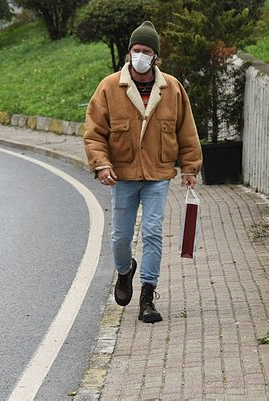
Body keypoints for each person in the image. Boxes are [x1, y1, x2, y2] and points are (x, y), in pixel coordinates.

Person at [83, 21, 202, 324]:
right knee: (120, 238)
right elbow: (94, 133)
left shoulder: (172, 88)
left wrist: (189, 168)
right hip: (121, 175)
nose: (140, 55)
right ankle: (125, 272)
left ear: (155, 56)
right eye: (136, 50)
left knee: (152, 233)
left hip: (158, 175)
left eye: (146, 51)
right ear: (129, 53)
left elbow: (186, 131)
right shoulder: (110, 87)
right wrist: (102, 164)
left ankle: (147, 296)